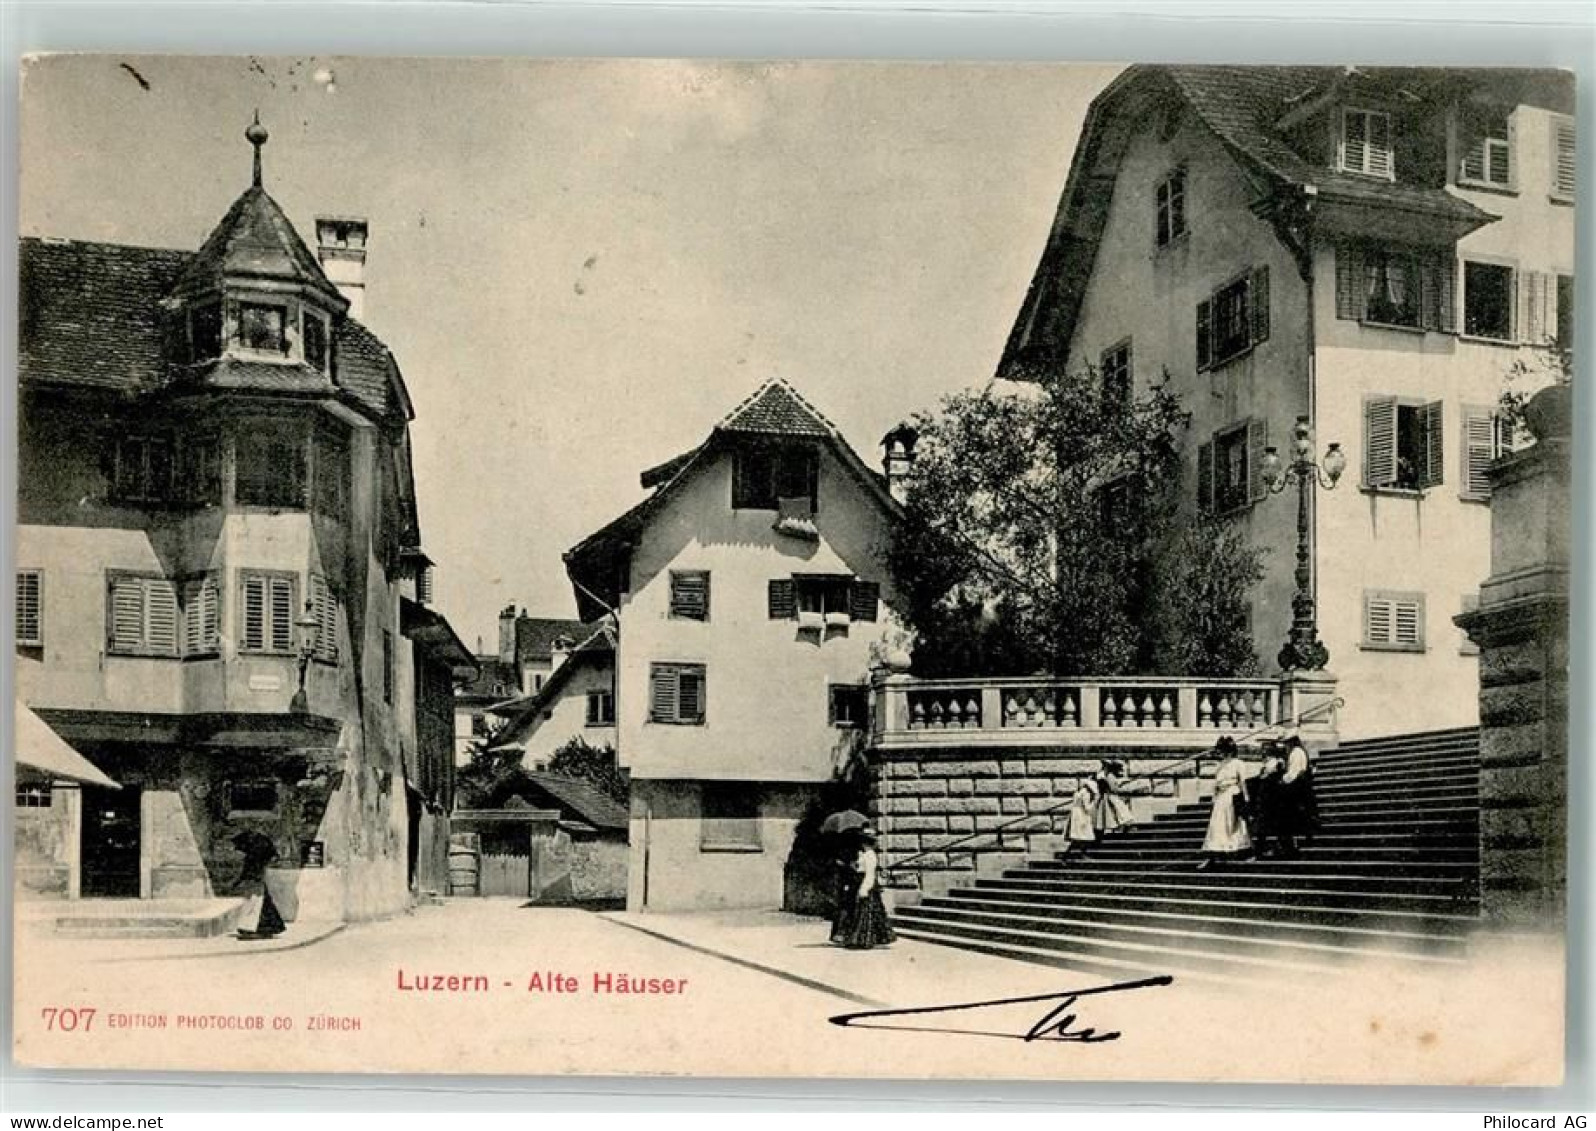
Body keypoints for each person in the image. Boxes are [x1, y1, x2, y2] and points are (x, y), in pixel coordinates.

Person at [837, 828, 895, 950]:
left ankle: (864, 939)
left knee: (866, 912)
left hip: (867, 885)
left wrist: (864, 888)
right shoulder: (864, 854)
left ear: (866, 842)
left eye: (863, 841)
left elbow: (869, 874)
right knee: (863, 912)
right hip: (860, 882)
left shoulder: (870, 855)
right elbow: (860, 869)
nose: (861, 844)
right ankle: (861, 938)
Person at [1199, 737, 1251, 870]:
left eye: (1224, 751)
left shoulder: (1238, 763)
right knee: (1217, 825)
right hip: (1221, 797)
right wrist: (1214, 796)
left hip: (1232, 794)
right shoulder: (1221, 765)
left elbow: (1242, 781)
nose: (1222, 753)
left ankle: (1242, 851)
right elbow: (1217, 783)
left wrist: (1246, 797)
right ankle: (1214, 854)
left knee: (1233, 824)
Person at [233, 829, 286, 941]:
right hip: (257, 882)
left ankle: (250, 928)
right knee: (263, 905)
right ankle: (266, 928)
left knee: (254, 904)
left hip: (254, 882)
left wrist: (238, 881)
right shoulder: (259, 855)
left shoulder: (252, 857)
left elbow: (248, 872)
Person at [1278, 733, 1319, 858]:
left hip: (1297, 786)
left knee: (1294, 813)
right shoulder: (1300, 751)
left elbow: (1293, 773)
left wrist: (1282, 780)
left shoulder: (1296, 753)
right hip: (1302, 785)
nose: (1285, 746)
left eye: (1286, 743)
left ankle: (1296, 842)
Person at [1249, 741, 1286, 858]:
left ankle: (1280, 848)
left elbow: (1277, 779)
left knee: (1275, 825)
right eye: (1263, 750)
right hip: (1264, 800)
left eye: (1266, 750)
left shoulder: (1278, 763)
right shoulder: (1264, 766)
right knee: (1262, 825)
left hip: (1274, 799)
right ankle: (1261, 850)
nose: (1263, 753)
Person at [1060, 773, 1101, 856]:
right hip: (1082, 816)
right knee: (1084, 836)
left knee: (1079, 837)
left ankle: (1073, 854)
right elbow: (1087, 808)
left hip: (1076, 815)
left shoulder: (1079, 792)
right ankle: (1072, 855)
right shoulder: (1086, 794)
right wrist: (1094, 802)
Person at [1094, 759, 1135, 836]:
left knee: (1110, 814)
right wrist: (1120, 786)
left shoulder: (1101, 775)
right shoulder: (1110, 776)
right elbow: (1113, 788)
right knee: (1120, 811)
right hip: (1110, 796)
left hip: (1104, 796)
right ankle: (1125, 828)